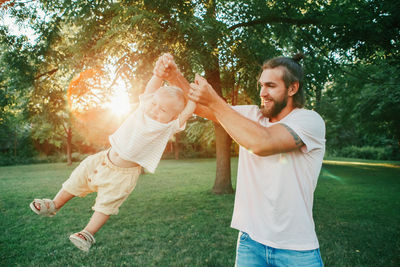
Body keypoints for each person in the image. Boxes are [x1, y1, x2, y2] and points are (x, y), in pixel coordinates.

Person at [165, 53, 325, 266]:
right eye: (261, 85)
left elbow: (262, 143)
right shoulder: (250, 115)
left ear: (292, 88)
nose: (262, 93)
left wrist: (215, 101)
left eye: (270, 86)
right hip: (250, 242)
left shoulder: (309, 120)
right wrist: (175, 76)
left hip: (295, 249)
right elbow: (203, 107)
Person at [29, 55, 196, 252]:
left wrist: (194, 96)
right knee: (76, 180)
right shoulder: (144, 107)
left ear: (173, 117)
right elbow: (152, 88)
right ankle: (54, 204)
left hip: (123, 175)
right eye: (155, 104)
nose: (155, 110)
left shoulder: (168, 127)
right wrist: (159, 74)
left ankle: (88, 233)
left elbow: (190, 109)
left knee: (106, 204)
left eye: (163, 110)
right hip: (102, 158)